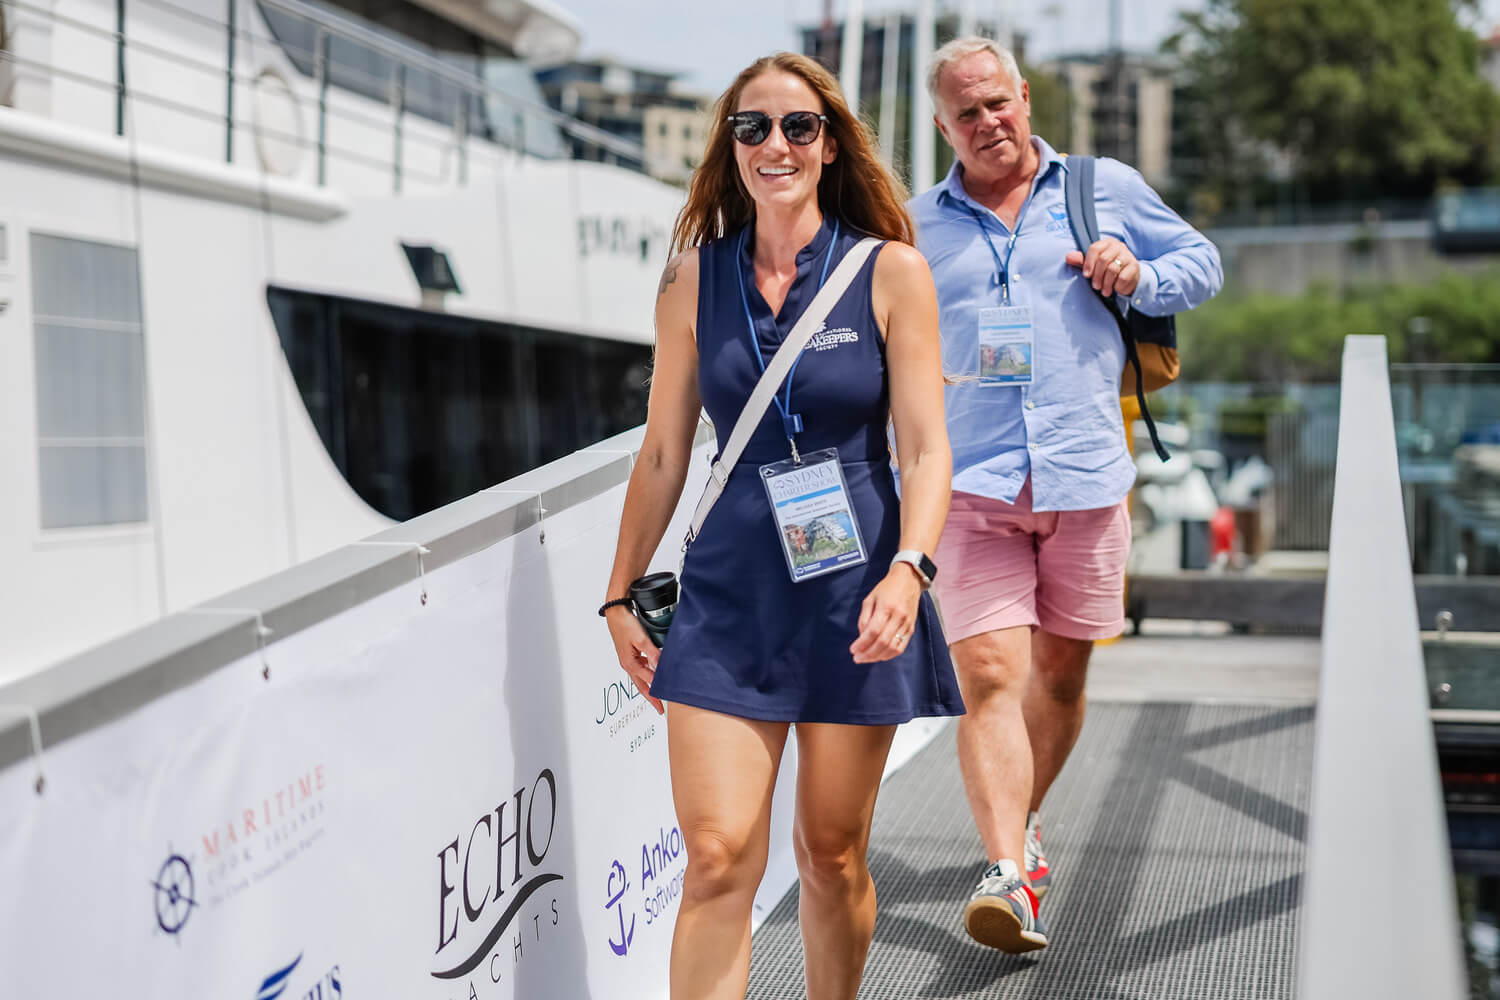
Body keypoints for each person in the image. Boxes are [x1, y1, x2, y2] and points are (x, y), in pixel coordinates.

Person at [600, 52, 963, 1000]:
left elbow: (927, 449)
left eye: (798, 126)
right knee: (718, 856)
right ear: (731, 146)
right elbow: (663, 453)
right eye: (752, 127)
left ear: (830, 144)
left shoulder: (892, 272)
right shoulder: (691, 280)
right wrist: (619, 593)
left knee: (831, 852)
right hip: (728, 597)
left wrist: (911, 569)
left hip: (856, 593)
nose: (776, 144)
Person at [910, 37, 1223, 953]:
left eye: (996, 103)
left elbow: (1202, 261)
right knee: (988, 677)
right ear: (942, 127)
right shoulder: (913, 225)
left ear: (1024, 96)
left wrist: (1142, 274)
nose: (987, 123)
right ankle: (1008, 873)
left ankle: (1023, 825)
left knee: (1059, 676)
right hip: (971, 484)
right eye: (965, 113)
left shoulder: (1101, 187)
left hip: (1085, 476)